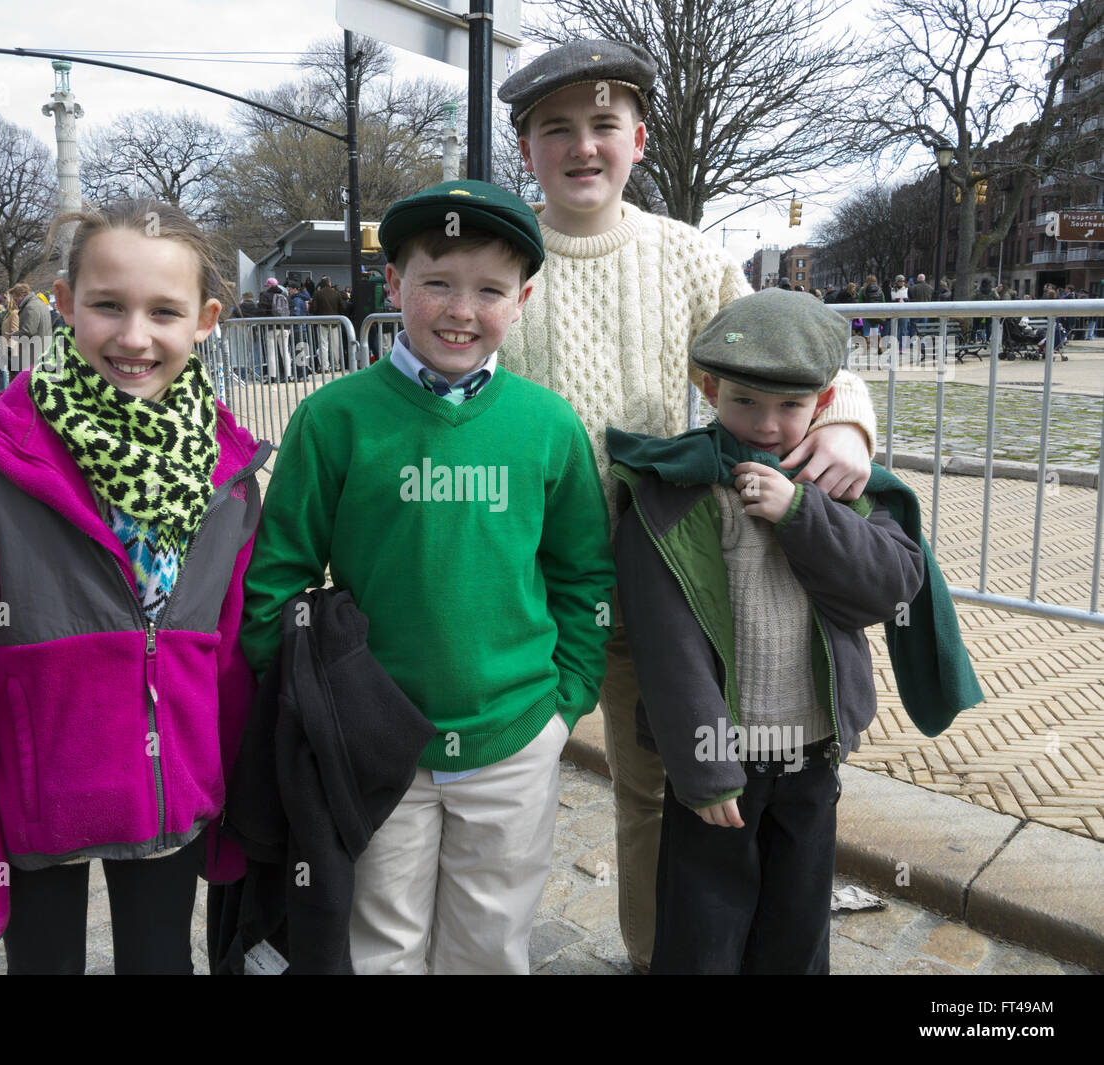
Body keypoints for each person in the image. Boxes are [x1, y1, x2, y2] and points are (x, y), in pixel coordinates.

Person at [494, 38, 877, 974]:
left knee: (672, 782)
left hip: (688, 589)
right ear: (526, 148)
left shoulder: (691, 257)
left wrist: (849, 427)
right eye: (556, 129)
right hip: (550, 585)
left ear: (638, 137)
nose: (582, 146)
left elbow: (796, 356)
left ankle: (687, 953)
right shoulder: (507, 261)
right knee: (570, 786)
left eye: (603, 125)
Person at [240, 180, 615, 974]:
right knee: (380, 944)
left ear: (523, 298)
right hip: (375, 747)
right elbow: (276, 577)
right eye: (437, 282)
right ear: (395, 284)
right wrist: (319, 709)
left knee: (490, 945)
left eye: (490, 289)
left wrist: (565, 704)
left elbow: (586, 577)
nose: (460, 309)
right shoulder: (334, 419)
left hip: (514, 736)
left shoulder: (547, 426)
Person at [0, 199, 266, 974]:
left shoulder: (227, 478)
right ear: (65, 305)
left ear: (203, 319)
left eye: (163, 311)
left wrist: (234, 811)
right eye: (108, 306)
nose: (134, 337)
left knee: (161, 961)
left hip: (172, 797)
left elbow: (230, 659)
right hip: (36, 804)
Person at [607, 289, 926, 973]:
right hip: (723, 755)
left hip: (811, 750)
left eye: (790, 406)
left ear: (825, 400)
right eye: (745, 401)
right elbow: (667, 647)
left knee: (797, 924)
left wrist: (804, 513)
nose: (767, 425)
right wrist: (706, 767)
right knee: (703, 928)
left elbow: (891, 582)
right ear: (710, 387)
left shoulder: (835, 483)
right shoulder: (670, 491)